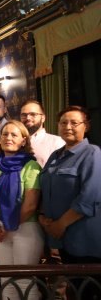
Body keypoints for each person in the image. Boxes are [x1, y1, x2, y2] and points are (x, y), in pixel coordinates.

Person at [39, 106, 101, 296]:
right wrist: (42, 217)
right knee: (73, 290)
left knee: (88, 291)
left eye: (74, 123)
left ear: (86, 126)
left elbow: (90, 196)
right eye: (63, 122)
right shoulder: (55, 156)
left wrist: (61, 224)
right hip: (61, 239)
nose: (68, 126)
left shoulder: (93, 153)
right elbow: (44, 188)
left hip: (84, 238)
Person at [0, 120, 42, 300]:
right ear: (0, 139)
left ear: (23, 141)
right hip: (0, 228)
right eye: (5, 134)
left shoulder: (31, 166)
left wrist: (7, 227)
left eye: (14, 134)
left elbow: (31, 204)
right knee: (6, 282)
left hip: (24, 228)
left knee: (25, 283)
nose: (8, 137)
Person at [19, 100, 65, 167]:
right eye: (24, 115)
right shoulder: (16, 142)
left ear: (43, 118)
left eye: (33, 114)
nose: (28, 118)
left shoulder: (56, 142)